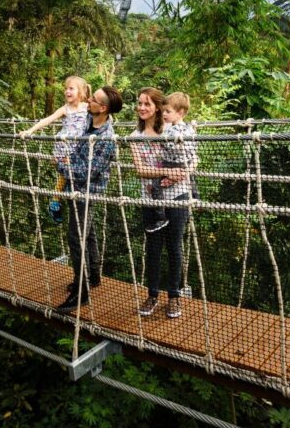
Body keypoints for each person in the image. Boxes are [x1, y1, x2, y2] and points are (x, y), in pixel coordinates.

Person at [56, 86, 124, 313]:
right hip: (76, 188)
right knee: (89, 230)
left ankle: (81, 292)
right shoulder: (88, 120)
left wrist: (61, 165)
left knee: (77, 238)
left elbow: (87, 172)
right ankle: (93, 276)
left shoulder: (107, 139)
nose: (88, 100)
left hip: (87, 190)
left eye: (93, 99)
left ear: (103, 108)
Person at [132, 88, 194, 319]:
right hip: (151, 199)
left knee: (174, 246)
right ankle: (152, 295)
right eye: (139, 103)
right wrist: (172, 171)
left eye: (146, 103)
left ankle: (174, 297)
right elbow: (140, 170)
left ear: (158, 107)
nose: (141, 108)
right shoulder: (135, 136)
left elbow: (194, 157)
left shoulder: (173, 129)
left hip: (178, 195)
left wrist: (184, 173)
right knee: (153, 248)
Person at [19, 76, 91, 224]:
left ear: (82, 92)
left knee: (70, 176)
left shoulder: (87, 107)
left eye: (71, 88)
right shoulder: (65, 109)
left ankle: (58, 199)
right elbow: (47, 120)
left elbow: (100, 117)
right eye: (66, 88)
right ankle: (55, 202)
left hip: (80, 148)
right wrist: (30, 131)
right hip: (65, 147)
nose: (67, 91)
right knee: (65, 174)